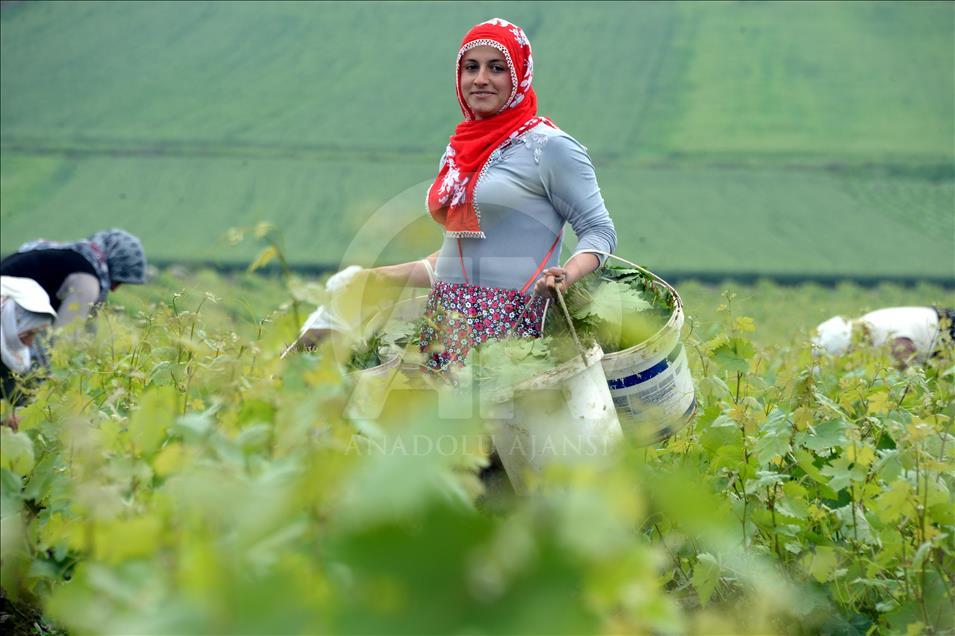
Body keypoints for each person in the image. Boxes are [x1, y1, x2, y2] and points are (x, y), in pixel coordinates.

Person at [338, 18, 617, 370]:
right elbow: (459, 259)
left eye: (496, 68)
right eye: (471, 67)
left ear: (519, 75)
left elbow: (600, 231)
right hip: (444, 327)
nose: (481, 78)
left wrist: (568, 274)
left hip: (512, 333)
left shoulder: (549, 147)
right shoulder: (459, 153)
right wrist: (379, 278)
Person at [0, 228, 148, 330]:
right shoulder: (86, 278)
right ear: (112, 264)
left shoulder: (67, 256)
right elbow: (66, 338)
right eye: (117, 282)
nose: (114, 290)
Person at [813, 306, 954, 366]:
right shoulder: (868, 324)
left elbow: (911, 373)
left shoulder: (889, 339)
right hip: (940, 323)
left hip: (948, 331)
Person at [1, 276, 57, 417]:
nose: (30, 342)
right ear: (10, 317)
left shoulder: (11, 353)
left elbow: (15, 396)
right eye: (29, 333)